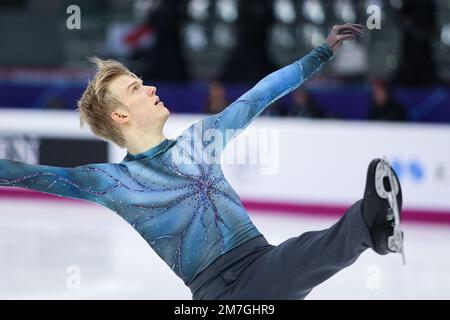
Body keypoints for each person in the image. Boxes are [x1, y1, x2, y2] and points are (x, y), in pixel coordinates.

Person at [0, 23, 405, 299]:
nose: (152, 88)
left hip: (262, 263)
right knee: (295, 259)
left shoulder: (200, 140)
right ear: (120, 115)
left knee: (297, 254)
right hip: (217, 293)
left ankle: (371, 223)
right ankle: (370, 224)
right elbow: (28, 174)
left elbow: (259, 95)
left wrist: (320, 53)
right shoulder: (114, 182)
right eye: (137, 88)